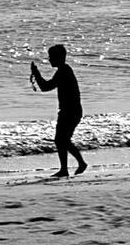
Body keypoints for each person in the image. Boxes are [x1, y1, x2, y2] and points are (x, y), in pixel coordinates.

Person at [30, 44, 88, 177]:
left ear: (59, 57)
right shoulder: (64, 70)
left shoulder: (64, 71)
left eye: (51, 57)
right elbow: (46, 86)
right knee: (62, 140)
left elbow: (45, 87)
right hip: (71, 110)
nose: (49, 59)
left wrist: (36, 73)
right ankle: (75, 165)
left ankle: (68, 168)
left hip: (70, 111)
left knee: (61, 140)